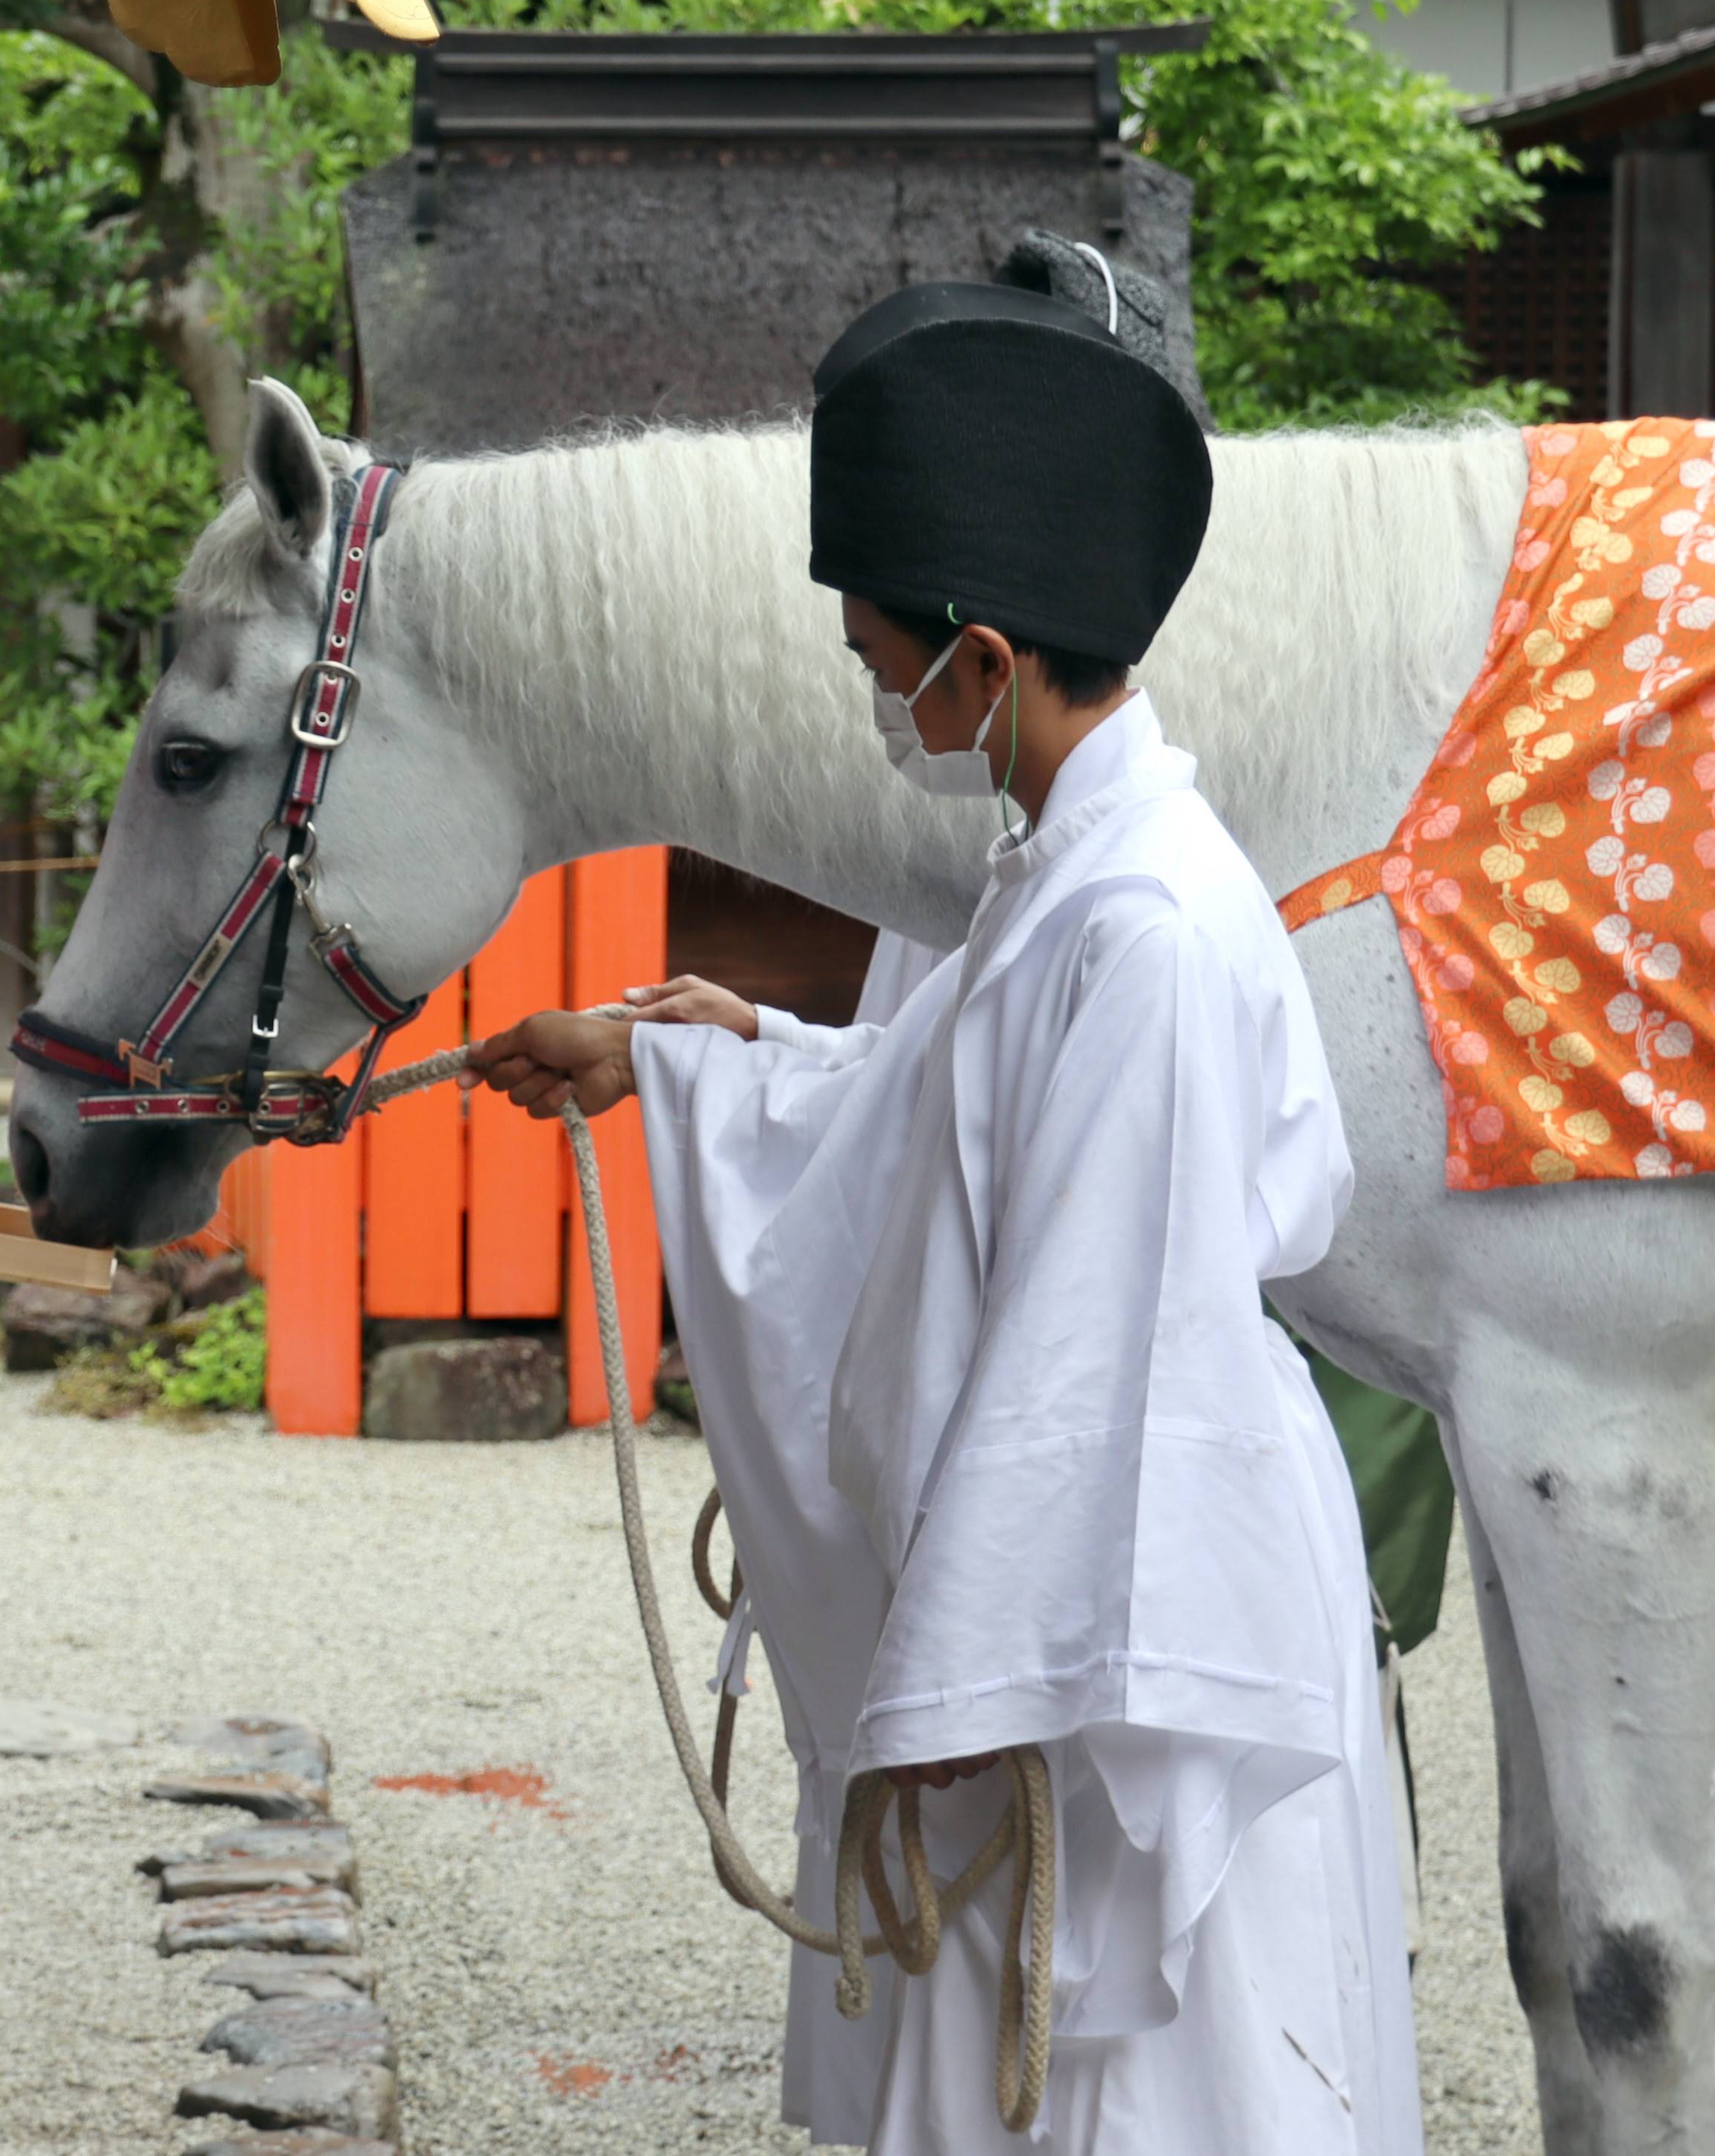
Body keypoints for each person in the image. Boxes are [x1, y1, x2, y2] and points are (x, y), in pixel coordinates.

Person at [476, 280, 1417, 2155]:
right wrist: (690, 1057)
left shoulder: (1135, 926)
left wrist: (959, 1678)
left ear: (978, 664)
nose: (870, 692)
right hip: (1076, 1557)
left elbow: (1095, 1344)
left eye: (874, 656)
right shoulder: (1063, 872)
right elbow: (939, 1113)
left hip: (1113, 1599)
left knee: (1139, 2078)